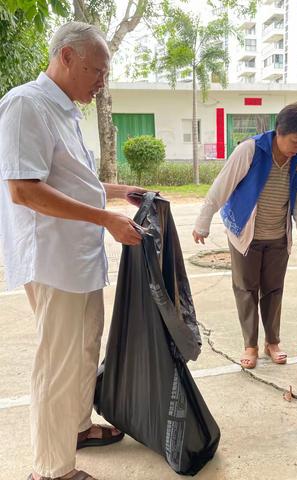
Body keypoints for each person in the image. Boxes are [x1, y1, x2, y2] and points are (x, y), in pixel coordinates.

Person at [0, 22, 147, 480]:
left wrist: (119, 191)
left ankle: (78, 428)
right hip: (53, 261)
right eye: (95, 70)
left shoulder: (64, 109)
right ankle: (52, 469)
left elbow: (74, 181)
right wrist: (107, 219)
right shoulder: (26, 105)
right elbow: (24, 190)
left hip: (80, 259)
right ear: (65, 57)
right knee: (57, 364)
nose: (101, 80)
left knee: (85, 350)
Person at [193, 102, 297, 369]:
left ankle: (273, 342)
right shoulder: (250, 149)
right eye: (295, 141)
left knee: (273, 289)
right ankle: (250, 344)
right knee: (246, 289)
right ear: (279, 132)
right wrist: (203, 221)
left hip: (278, 235)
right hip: (244, 233)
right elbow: (220, 188)